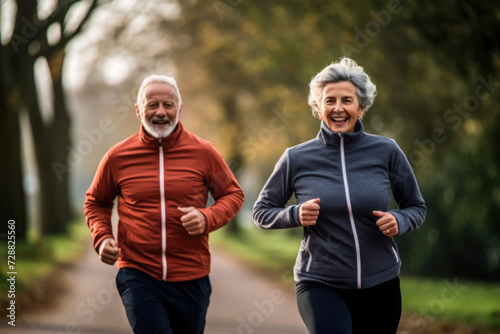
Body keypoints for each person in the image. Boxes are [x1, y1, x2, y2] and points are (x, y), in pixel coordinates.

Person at [253, 58, 426, 334]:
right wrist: (295, 214)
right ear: (318, 109)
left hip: (381, 282)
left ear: (361, 107)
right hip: (321, 282)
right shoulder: (297, 158)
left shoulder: (387, 152)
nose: (338, 107)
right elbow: (262, 211)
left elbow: (416, 206)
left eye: (347, 100)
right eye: (329, 100)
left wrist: (399, 220)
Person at [84, 74, 244, 334]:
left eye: (168, 105)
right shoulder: (117, 156)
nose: (161, 112)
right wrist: (102, 238)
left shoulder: (203, 152)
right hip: (138, 273)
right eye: (152, 105)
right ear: (138, 110)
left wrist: (207, 217)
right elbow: (96, 201)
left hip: (192, 276)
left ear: (179, 109)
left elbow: (233, 194)